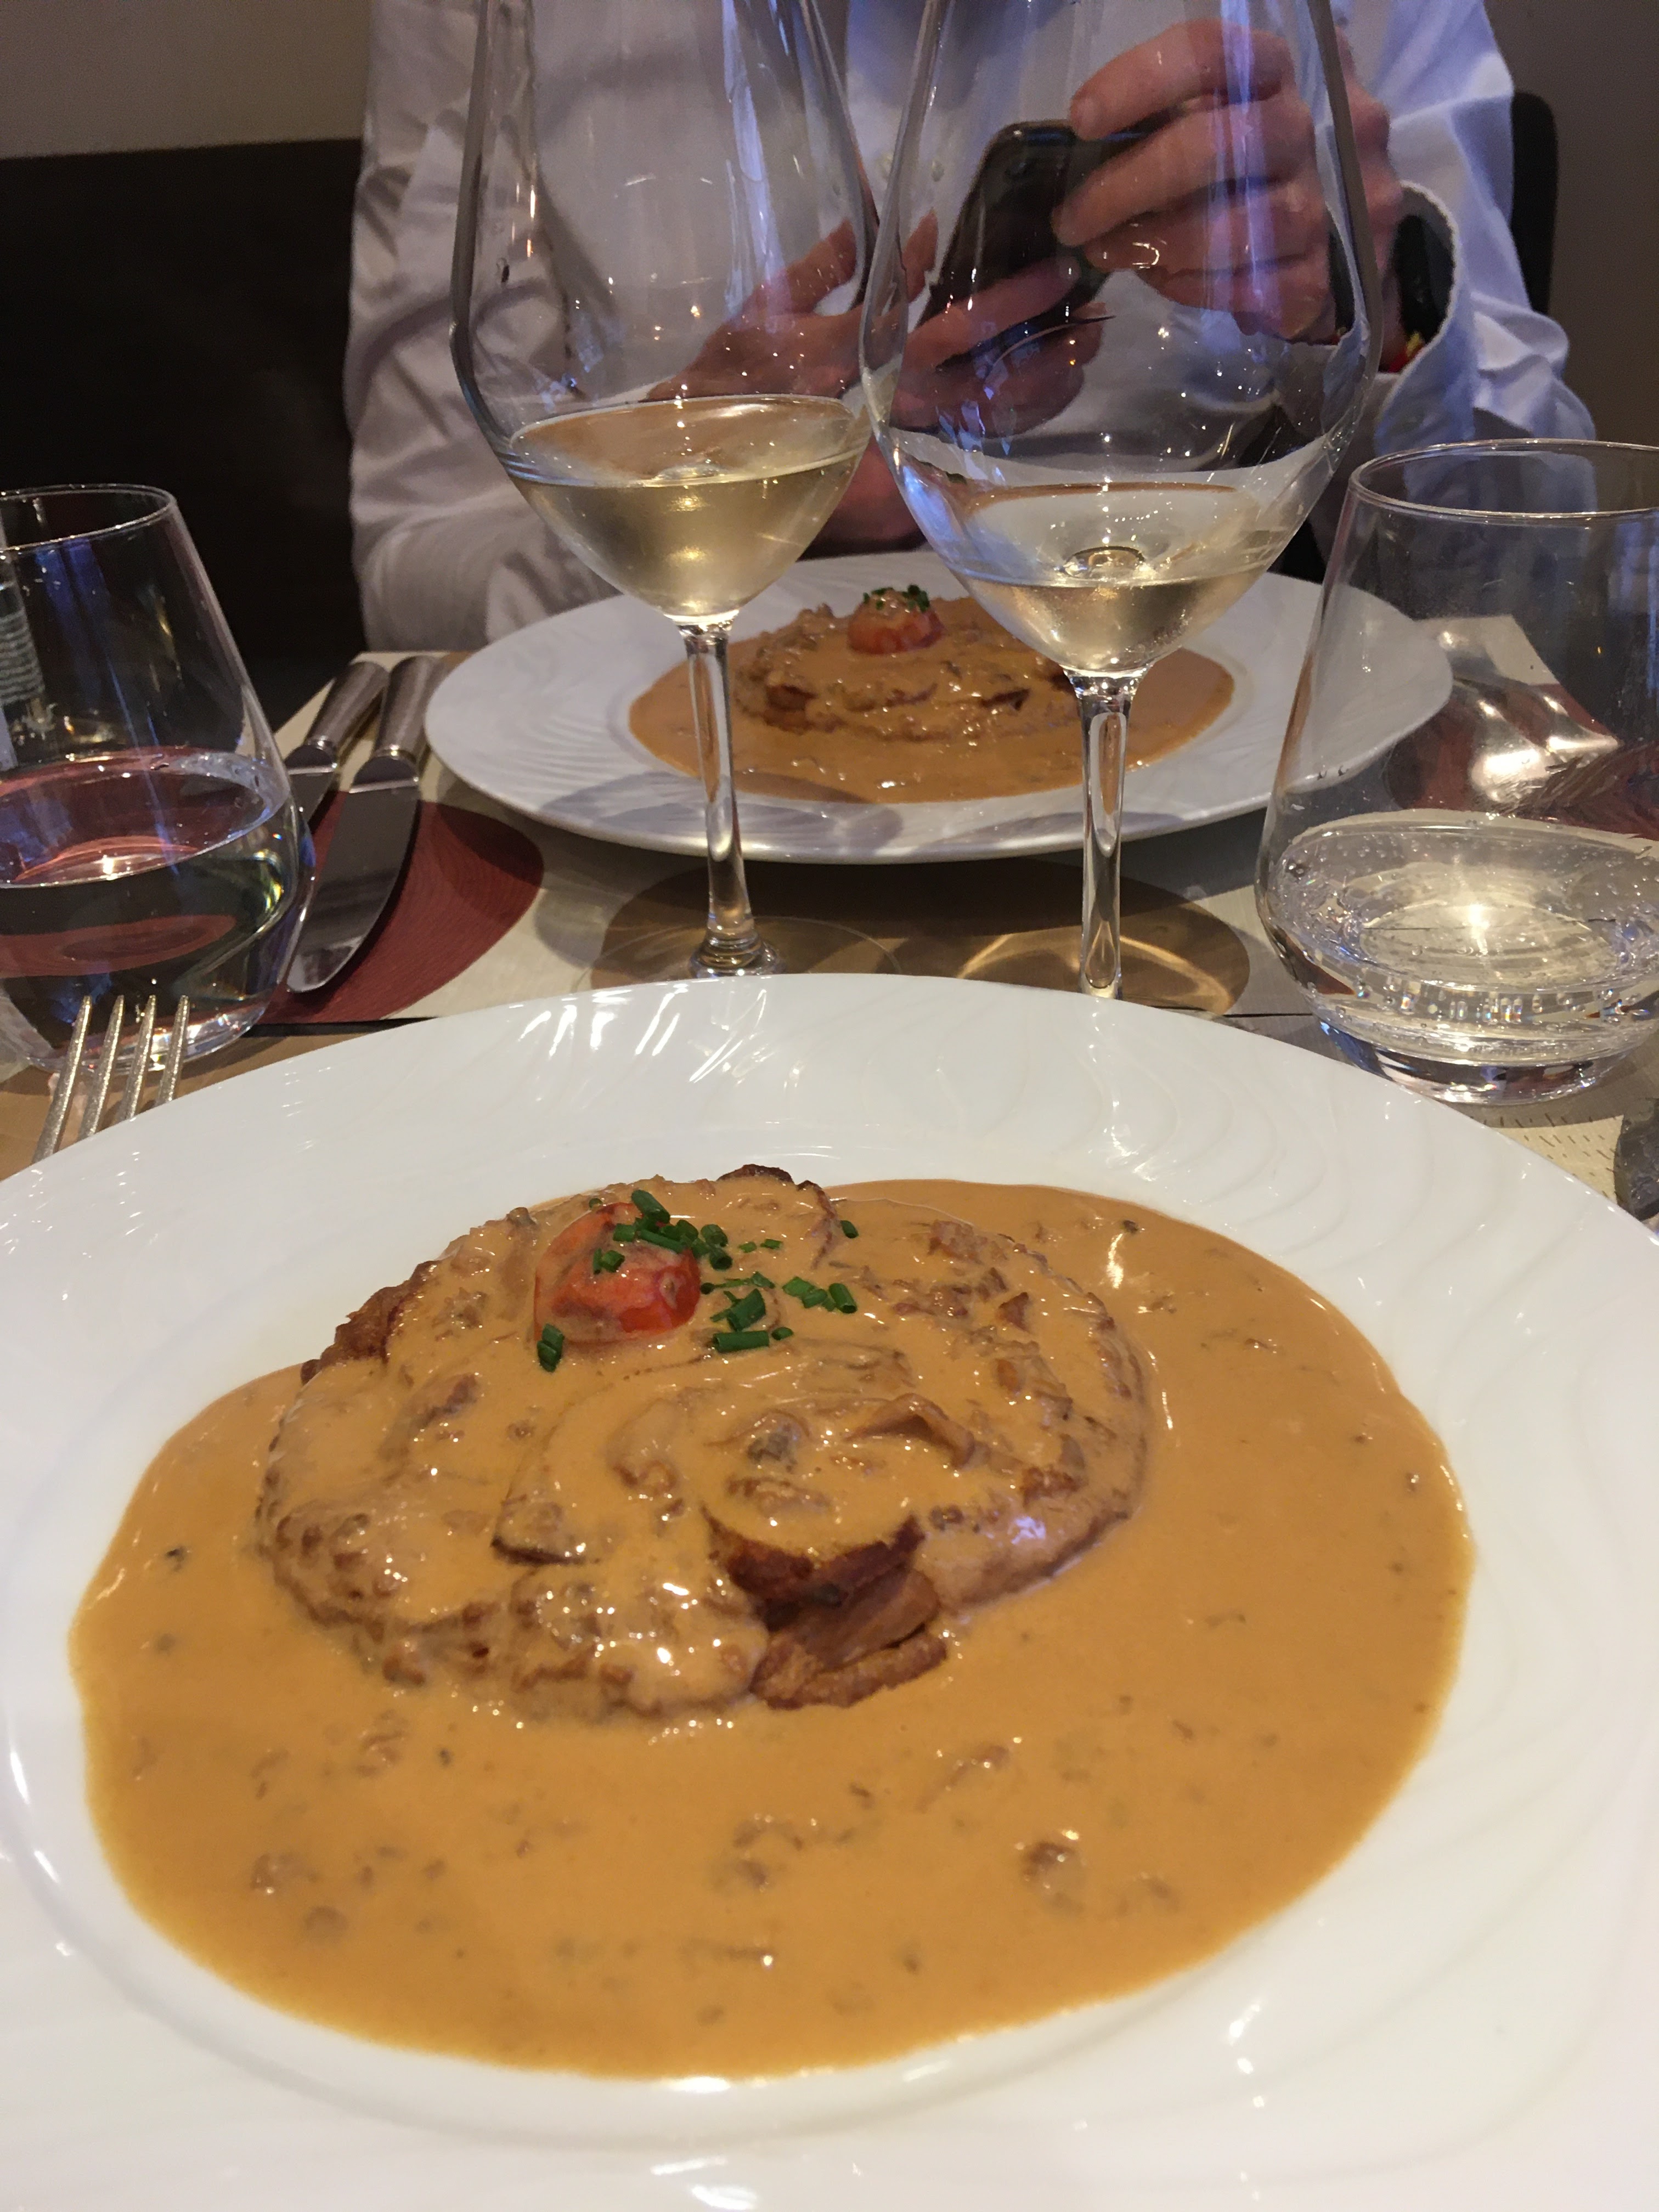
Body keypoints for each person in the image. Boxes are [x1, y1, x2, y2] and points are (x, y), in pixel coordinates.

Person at [346, 0, 1593, 650]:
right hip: (664, 817)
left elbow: (1530, 585)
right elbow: (410, 580)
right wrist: (695, 481)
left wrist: (1381, 305)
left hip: (1222, 812)